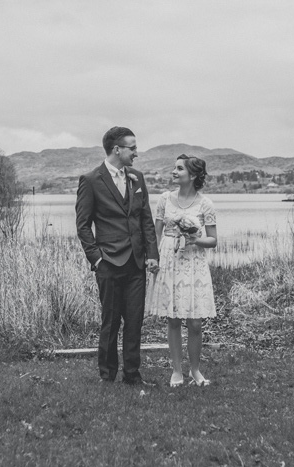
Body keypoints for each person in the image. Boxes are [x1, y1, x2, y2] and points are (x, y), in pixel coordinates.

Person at [75, 126, 159, 385]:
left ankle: (132, 375)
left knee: (134, 322)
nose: (136, 153)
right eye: (132, 148)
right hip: (108, 263)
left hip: (136, 262)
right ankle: (107, 374)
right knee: (110, 322)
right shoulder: (91, 180)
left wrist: (152, 254)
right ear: (117, 149)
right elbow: (83, 224)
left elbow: (146, 219)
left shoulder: (137, 177)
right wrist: (96, 258)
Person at [146, 154, 217, 387]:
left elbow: (213, 240)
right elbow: (155, 234)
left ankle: (195, 370)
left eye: (179, 169)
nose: (173, 172)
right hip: (169, 259)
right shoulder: (165, 199)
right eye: (174, 168)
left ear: (193, 175)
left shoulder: (205, 204)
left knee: (195, 322)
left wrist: (195, 238)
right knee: (173, 318)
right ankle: (176, 370)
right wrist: (152, 258)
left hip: (193, 262)